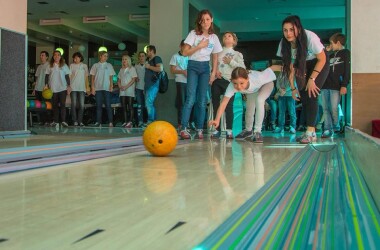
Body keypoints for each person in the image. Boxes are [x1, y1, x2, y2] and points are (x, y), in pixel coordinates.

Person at [276, 15, 329, 144]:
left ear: (298, 28)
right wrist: (293, 89)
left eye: (291, 29)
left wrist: (312, 79)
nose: (288, 33)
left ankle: (311, 133)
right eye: (285, 30)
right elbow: (290, 68)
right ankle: (308, 131)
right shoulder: (284, 44)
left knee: (311, 93)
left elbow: (322, 59)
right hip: (302, 65)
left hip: (319, 62)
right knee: (303, 96)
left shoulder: (310, 37)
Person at [180, 9, 223, 140]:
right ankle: (183, 128)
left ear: (212, 20)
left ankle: (199, 129)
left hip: (205, 68)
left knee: (202, 100)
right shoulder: (194, 34)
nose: (205, 22)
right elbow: (184, 53)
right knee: (191, 98)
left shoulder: (214, 37)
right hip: (193, 65)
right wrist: (199, 46)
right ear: (199, 21)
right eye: (202, 20)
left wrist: (213, 73)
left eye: (208, 19)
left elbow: (215, 58)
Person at [209, 65, 281, 143]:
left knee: (259, 100)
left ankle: (257, 132)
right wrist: (216, 120)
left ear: (247, 79)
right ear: (232, 81)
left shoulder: (258, 78)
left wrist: (288, 69)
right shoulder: (231, 86)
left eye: (241, 83)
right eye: (235, 83)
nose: (238, 87)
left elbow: (272, 68)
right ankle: (248, 130)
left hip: (266, 84)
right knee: (249, 108)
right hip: (253, 90)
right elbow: (223, 103)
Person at [211, 31, 245, 139]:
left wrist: (231, 62)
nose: (226, 37)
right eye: (225, 36)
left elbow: (242, 68)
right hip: (217, 80)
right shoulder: (217, 52)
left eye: (229, 36)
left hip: (230, 82)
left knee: (229, 106)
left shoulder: (237, 54)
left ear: (234, 40)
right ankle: (216, 129)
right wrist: (215, 71)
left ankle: (229, 130)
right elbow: (211, 64)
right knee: (216, 104)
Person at [320, 33, 350, 138]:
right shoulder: (330, 55)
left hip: (336, 86)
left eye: (331, 43)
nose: (330, 45)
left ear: (338, 42)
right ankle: (327, 129)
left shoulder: (346, 53)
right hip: (324, 86)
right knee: (325, 108)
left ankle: (336, 126)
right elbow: (321, 61)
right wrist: (326, 51)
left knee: (334, 107)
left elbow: (347, 70)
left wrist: (344, 85)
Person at [45, 50, 71, 127]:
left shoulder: (64, 65)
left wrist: (69, 86)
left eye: (58, 55)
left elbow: (67, 76)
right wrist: (46, 85)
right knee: (54, 105)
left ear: (60, 56)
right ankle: (55, 121)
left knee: (63, 105)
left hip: (63, 88)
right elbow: (46, 76)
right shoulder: (49, 65)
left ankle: (63, 121)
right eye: (55, 55)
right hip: (53, 88)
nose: (57, 56)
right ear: (53, 56)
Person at [90, 51, 116, 127]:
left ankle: (110, 122)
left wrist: (111, 85)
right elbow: (92, 77)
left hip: (106, 88)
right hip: (98, 88)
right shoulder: (95, 65)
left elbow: (111, 76)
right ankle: (98, 122)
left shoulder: (109, 65)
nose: (106, 57)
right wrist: (92, 87)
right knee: (98, 105)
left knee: (108, 105)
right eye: (104, 56)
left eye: (107, 56)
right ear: (100, 56)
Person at [144, 45, 163, 125]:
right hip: (148, 85)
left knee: (149, 103)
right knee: (149, 103)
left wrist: (149, 67)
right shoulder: (148, 60)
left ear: (152, 51)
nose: (147, 53)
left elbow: (160, 69)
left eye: (148, 51)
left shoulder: (157, 58)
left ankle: (151, 121)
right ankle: (153, 121)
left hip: (153, 84)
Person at [117, 55, 137, 128]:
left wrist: (126, 86)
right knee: (124, 107)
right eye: (123, 59)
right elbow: (118, 80)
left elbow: (133, 79)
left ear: (128, 60)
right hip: (122, 91)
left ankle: (130, 121)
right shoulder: (121, 70)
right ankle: (125, 121)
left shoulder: (132, 69)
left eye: (125, 59)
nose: (124, 60)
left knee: (130, 106)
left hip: (129, 90)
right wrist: (120, 86)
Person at [69, 52, 89, 127]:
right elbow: (69, 76)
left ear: (80, 58)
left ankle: (80, 121)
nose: (75, 59)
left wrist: (87, 88)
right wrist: (69, 86)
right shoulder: (71, 65)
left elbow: (86, 77)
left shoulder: (84, 66)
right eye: (74, 58)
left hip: (82, 88)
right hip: (73, 87)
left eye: (77, 57)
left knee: (81, 105)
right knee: (73, 105)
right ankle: (74, 121)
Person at [134, 51, 146, 127]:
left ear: (145, 57)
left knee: (147, 105)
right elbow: (133, 77)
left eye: (143, 56)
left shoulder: (148, 65)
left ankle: (147, 120)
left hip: (146, 88)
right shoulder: (135, 66)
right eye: (140, 56)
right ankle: (140, 121)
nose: (141, 58)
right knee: (139, 105)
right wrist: (135, 78)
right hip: (138, 88)